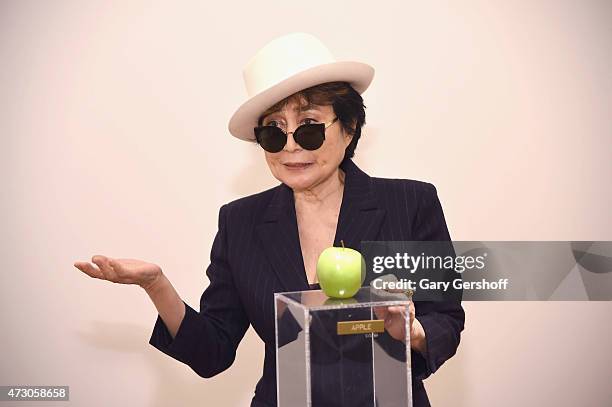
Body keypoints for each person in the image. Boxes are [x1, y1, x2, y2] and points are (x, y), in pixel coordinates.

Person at [74, 32, 465, 407]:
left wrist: (413, 333)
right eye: (274, 132)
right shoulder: (239, 222)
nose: (291, 145)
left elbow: (445, 317)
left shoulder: (411, 203)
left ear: (348, 129)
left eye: (309, 127)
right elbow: (212, 352)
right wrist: (157, 286)